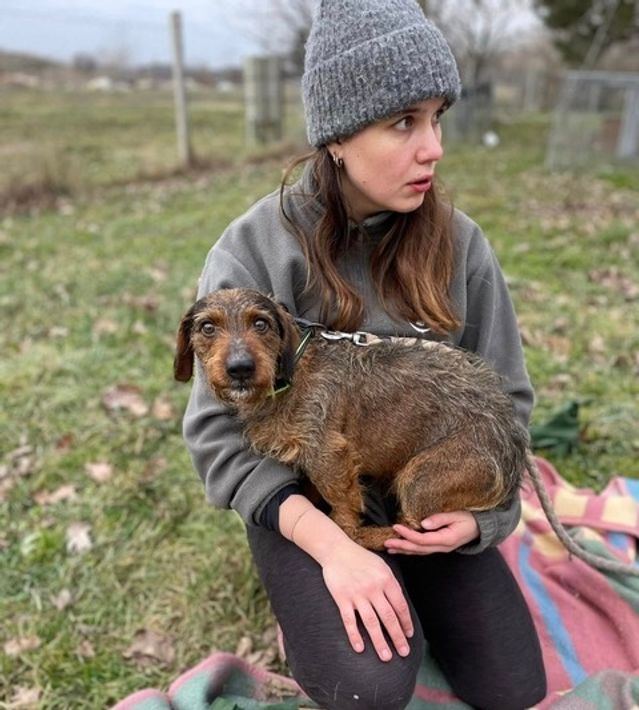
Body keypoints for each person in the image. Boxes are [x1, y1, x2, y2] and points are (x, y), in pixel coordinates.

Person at [182, 0, 547, 708]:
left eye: (437, 117)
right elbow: (214, 434)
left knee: (511, 687)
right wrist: (332, 547)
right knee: (369, 686)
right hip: (305, 498)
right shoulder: (256, 247)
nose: (433, 148)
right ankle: (313, 589)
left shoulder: (460, 245)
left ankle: (402, 568)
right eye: (404, 122)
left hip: (423, 484)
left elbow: (507, 400)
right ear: (338, 137)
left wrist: (482, 522)